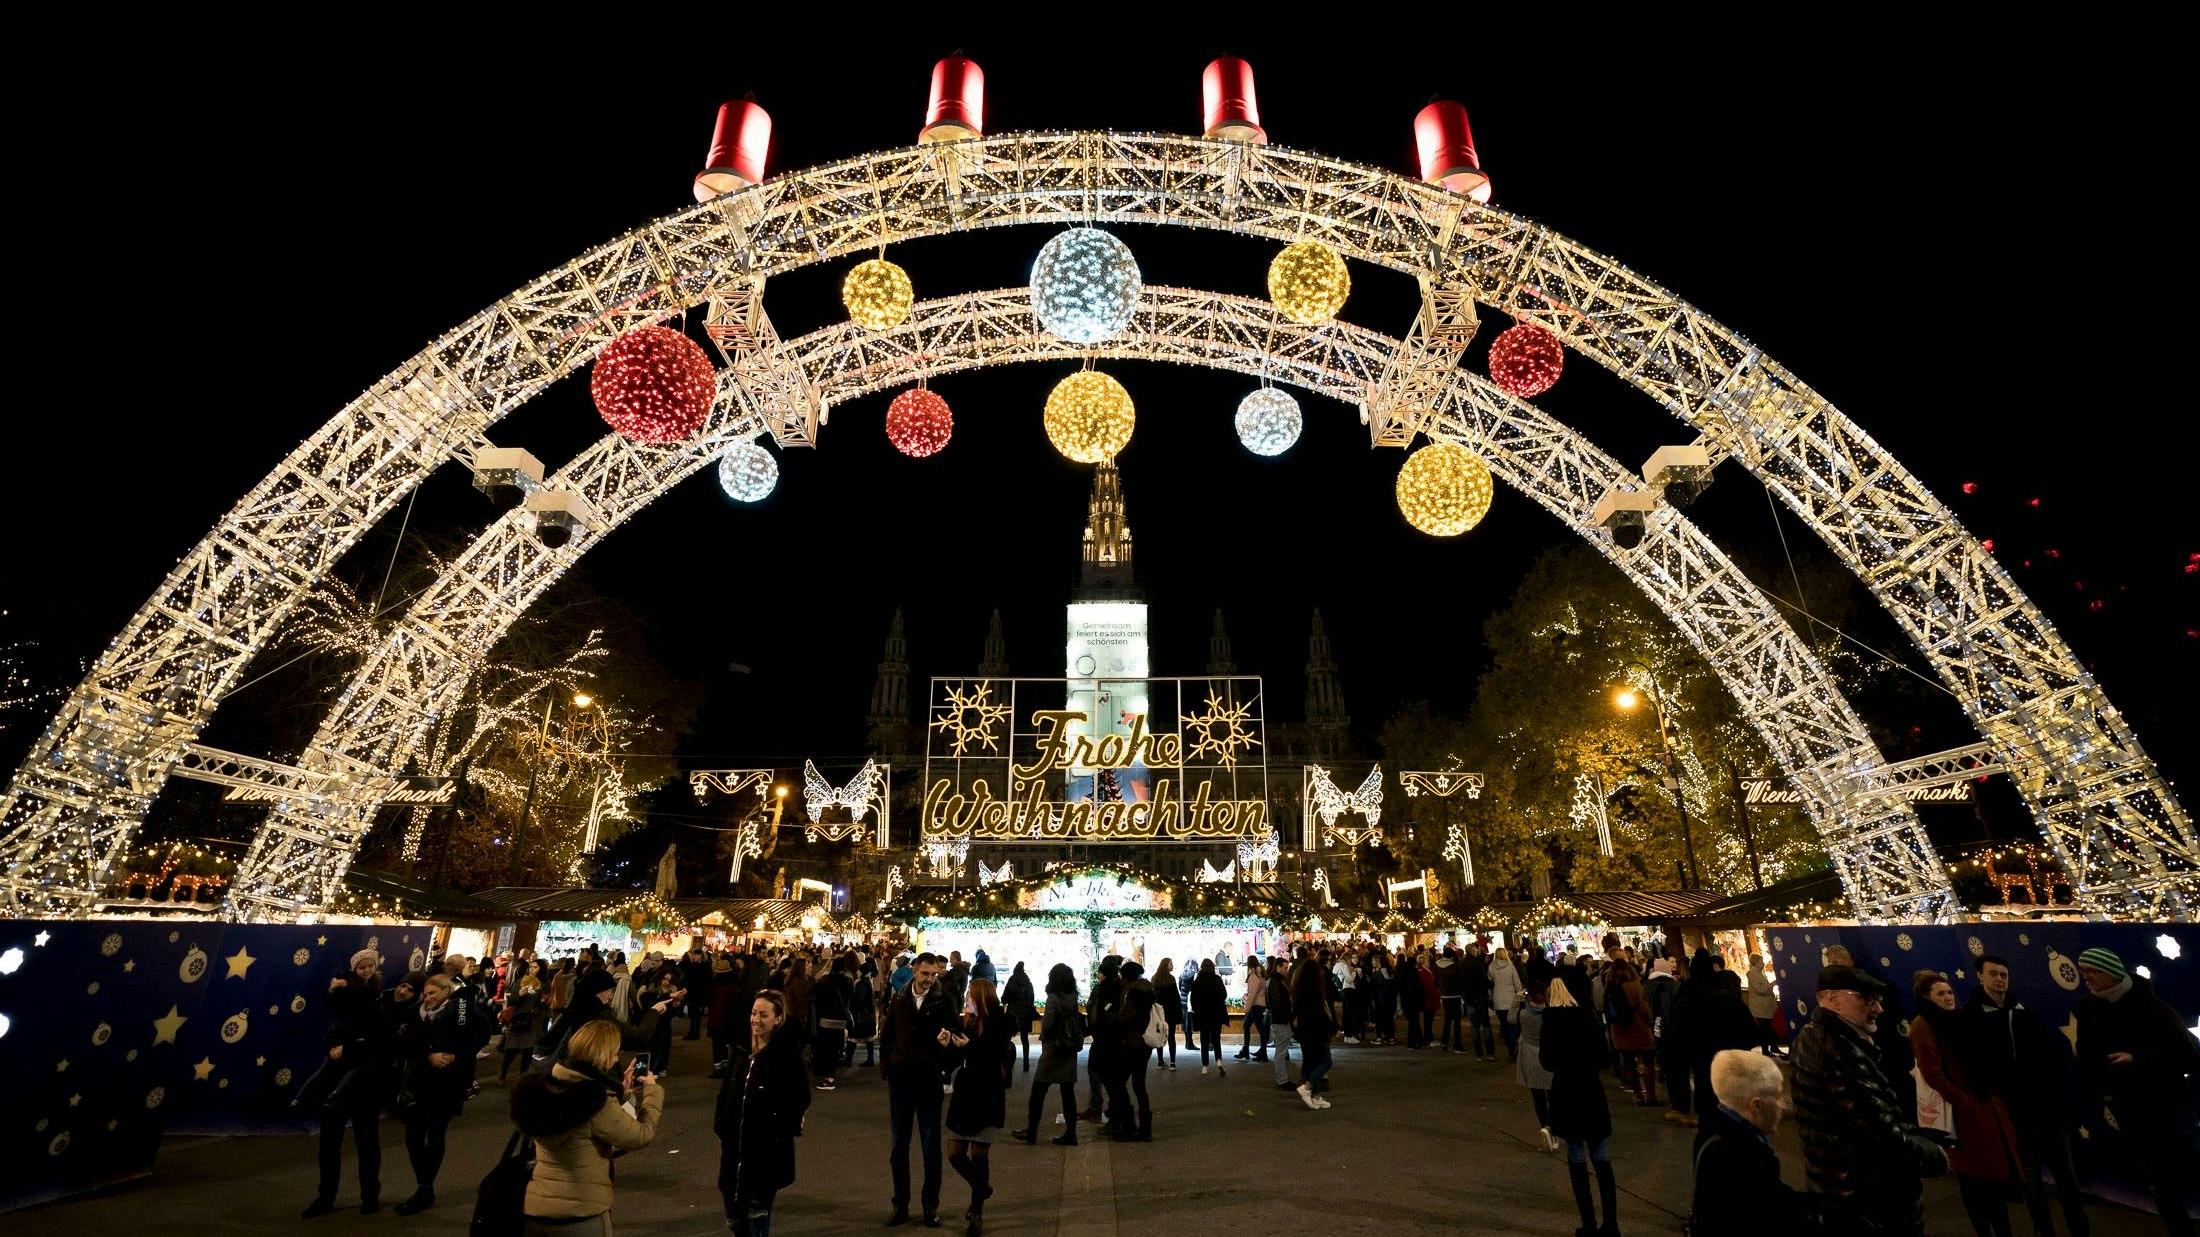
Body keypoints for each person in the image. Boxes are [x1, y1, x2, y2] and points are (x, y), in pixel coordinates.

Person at [1791, 964, 1949, 1237]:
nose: (1877, 1009)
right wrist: (1934, 1156)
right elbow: (1876, 1132)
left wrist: (1919, 1133)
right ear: (1832, 999)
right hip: (1868, 1201)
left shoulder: (1819, 1037)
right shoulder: (1838, 1049)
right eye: (1867, 1000)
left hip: (1846, 1193)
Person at [2074, 946, 2200, 1235]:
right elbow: (2087, 1053)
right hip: (2131, 1110)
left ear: (2111, 973)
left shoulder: (2153, 1008)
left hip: (2170, 1106)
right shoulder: (2088, 1007)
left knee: (2193, 1166)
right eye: (2084, 973)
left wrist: (2138, 1059)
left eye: (2093, 972)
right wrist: (2102, 1090)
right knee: (2157, 1182)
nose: (2087, 978)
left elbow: (2188, 1057)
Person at [1964, 953, 2091, 1237]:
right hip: (2012, 1111)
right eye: (1994, 974)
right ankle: (2043, 1230)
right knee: (2030, 1178)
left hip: (2045, 1106)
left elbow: (2050, 1049)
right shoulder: (1971, 1016)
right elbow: (1972, 1063)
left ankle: (2080, 1229)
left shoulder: (2023, 1011)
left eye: (2003, 974)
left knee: (2066, 1177)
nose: (2000, 979)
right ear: (1980, 976)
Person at [510, 1018, 665, 1236]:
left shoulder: (546, 1086)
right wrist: (652, 1093)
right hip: (582, 1211)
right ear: (603, 1055)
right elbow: (640, 1136)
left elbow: (581, 1125)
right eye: (614, 1052)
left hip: (537, 1208)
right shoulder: (595, 1101)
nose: (616, 1058)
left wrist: (621, 1089)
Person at [1911, 970, 2025, 1237]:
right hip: (1965, 1114)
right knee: (1975, 1180)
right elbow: (1932, 1073)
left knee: (1994, 1178)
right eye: (1940, 994)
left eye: (1949, 992)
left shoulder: (1958, 1019)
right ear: (1926, 998)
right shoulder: (1924, 1025)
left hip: (1985, 1105)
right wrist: (1964, 1102)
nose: (1948, 997)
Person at [1689, 1049, 1820, 1235]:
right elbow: (1771, 1211)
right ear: (1756, 1105)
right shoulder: (1745, 1154)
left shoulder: (1715, 1128)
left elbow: (1771, 1195)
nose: (1783, 1104)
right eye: (1777, 1096)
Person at [389, 972, 487, 1215]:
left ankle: (425, 1187)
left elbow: (483, 1034)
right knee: (413, 1134)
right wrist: (428, 1055)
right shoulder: (415, 1013)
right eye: (425, 994)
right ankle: (424, 1179)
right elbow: (404, 1043)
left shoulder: (463, 1011)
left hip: (448, 1082)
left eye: (433, 993)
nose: (428, 998)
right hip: (421, 1080)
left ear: (446, 992)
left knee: (435, 1132)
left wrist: (458, 1055)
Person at [301, 950, 390, 1218]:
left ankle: (370, 1196)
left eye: (369, 966)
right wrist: (333, 990)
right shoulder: (344, 992)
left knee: (367, 1142)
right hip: (338, 1079)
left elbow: (377, 1038)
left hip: (366, 1080)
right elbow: (333, 1019)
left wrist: (348, 1047)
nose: (366, 970)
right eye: (361, 967)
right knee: (329, 1144)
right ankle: (325, 1196)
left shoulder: (377, 996)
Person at [715, 989, 809, 1237]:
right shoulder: (741, 1051)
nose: (756, 1019)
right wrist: (722, 1124)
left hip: (765, 1157)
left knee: (756, 1225)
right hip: (733, 1153)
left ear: (778, 1019)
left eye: (763, 1015)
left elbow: (800, 1099)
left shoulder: (786, 1057)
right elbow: (726, 1092)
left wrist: (776, 1130)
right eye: (754, 1013)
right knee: (734, 1221)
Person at [879, 951, 957, 1227]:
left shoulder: (944, 999)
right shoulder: (900, 998)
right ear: (914, 970)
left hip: (927, 1077)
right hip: (901, 1078)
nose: (929, 978)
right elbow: (887, 1034)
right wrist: (887, 1066)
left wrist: (945, 1051)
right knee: (899, 1145)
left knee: (929, 1144)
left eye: (934, 974)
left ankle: (929, 1206)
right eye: (925, 973)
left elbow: (956, 1034)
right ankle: (900, 1205)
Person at [1542, 977, 1619, 1237]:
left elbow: (1547, 1062)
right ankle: (1611, 1224)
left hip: (1566, 1092)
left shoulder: (1550, 1022)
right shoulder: (1589, 1019)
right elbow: (1604, 1059)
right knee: (1600, 1154)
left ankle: (1588, 1223)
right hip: (1591, 1090)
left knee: (1576, 1153)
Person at [944, 978, 1013, 1235]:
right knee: (954, 1154)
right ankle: (981, 1187)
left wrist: (970, 1047)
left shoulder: (1000, 1023)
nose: (966, 1000)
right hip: (965, 1094)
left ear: (981, 998)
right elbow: (957, 1057)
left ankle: (977, 1213)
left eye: (969, 996)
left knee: (979, 1155)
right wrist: (947, 1045)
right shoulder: (967, 1022)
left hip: (986, 1094)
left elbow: (993, 1057)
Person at [1014, 964, 1085, 1147]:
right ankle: (1071, 1133)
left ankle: (1032, 1131)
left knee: (1038, 1092)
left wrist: (1044, 1037)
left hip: (1054, 1050)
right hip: (1069, 1050)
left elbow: (1048, 1025)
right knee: (1068, 1093)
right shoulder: (1073, 997)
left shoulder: (1053, 998)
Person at [1106, 960, 1158, 1140]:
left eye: (1121, 976)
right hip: (1145, 1043)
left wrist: (1111, 1015)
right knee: (1139, 1086)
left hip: (1132, 1043)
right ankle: (1145, 1131)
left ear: (1126, 976)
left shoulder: (1131, 992)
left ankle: (1129, 1125)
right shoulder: (1148, 989)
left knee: (1117, 1082)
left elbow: (1126, 1018)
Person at [1516, 964, 1559, 1151]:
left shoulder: (1523, 1015)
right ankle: (1552, 1128)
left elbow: (1510, 1018)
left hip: (1530, 1059)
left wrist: (1516, 999)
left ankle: (1545, 1127)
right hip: (1549, 1058)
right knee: (1554, 1095)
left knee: (1538, 1097)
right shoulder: (1550, 1016)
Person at [1605, 959, 1657, 1107]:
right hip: (1638, 1029)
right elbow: (1644, 1009)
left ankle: (1638, 1095)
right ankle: (1651, 1096)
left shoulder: (1609, 987)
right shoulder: (1635, 986)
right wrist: (1649, 1023)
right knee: (1648, 1063)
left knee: (1630, 1065)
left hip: (1620, 1031)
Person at [1290, 945, 1334, 1109]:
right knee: (1326, 1061)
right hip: (1316, 1030)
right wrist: (1332, 1027)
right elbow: (1321, 1012)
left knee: (1314, 1061)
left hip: (1305, 1030)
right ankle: (1307, 1087)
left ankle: (1316, 1095)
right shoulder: (1315, 990)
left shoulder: (1300, 989)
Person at [1081, 956, 1123, 1126]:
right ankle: (1110, 1109)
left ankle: (1102, 1108)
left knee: (1097, 1070)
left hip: (1103, 1037)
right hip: (1112, 1036)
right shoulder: (1120, 986)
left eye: (1099, 971)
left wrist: (1104, 1012)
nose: (1097, 974)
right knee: (1111, 1075)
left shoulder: (1104, 989)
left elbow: (1105, 1006)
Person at [812, 952, 856, 1091]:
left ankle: (828, 1078)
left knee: (826, 1048)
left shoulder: (826, 981)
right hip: (840, 1020)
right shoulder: (847, 982)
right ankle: (831, 1075)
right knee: (835, 1048)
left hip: (826, 1019)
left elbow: (817, 996)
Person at [499, 961, 544, 1082]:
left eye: (535, 967)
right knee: (512, 1049)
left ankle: (523, 1077)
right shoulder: (521, 981)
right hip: (520, 1018)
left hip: (534, 1021)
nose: (532, 969)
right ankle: (503, 1072)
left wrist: (541, 1004)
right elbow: (511, 998)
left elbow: (545, 1001)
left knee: (528, 1051)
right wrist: (519, 993)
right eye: (531, 967)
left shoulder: (543, 984)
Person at [1191, 958, 1229, 1075]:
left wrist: (1197, 1009)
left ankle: (1205, 1066)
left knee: (1204, 1040)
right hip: (1216, 1014)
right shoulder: (1217, 980)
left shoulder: (1197, 981)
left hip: (1203, 1014)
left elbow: (1193, 999)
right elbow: (1224, 995)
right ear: (1213, 967)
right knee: (1216, 1039)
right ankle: (1218, 1060)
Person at [1265, 954, 1297, 1088]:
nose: (1287, 970)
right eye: (1285, 967)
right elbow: (1277, 1002)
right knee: (1281, 1050)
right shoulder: (1275, 982)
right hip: (1280, 1019)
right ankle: (1282, 1079)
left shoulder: (1276, 980)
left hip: (1280, 1018)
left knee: (1281, 1049)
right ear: (1277, 967)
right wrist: (1287, 1016)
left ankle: (1282, 1078)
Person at [1001, 961, 1036, 1072]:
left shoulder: (1011, 982)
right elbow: (1031, 999)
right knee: (1024, 1038)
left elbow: (1004, 999)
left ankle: (1006, 1062)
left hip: (1012, 1015)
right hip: (1025, 1014)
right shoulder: (1028, 983)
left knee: (1007, 1038)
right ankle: (1026, 1062)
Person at [1489, 947, 1523, 1062]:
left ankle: (1510, 1049)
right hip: (1510, 999)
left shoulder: (1491, 967)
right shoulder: (1510, 967)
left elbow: (1490, 983)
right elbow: (1517, 984)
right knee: (1512, 1025)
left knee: (1504, 1023)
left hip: (1498, 998)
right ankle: (1512, 1050)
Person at [1151, 958, 1183, 1070]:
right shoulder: (1171, 979)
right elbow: (1175, 997)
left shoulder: (1154, 979)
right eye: (1171, 964)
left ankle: (1160, 1061)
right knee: (1171, 1037)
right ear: (1165, 965)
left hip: (1159, 1012)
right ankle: (1173, 1063)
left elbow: (1152, 997)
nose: (1172, 966)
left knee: (1160, 1035)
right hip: (1171, 1012)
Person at [1235, 956, 1269, 1062]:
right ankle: (1246, 1050)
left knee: (1260, 1028)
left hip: (1256, 1005)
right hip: (1258, 1004)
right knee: (1247, 1026)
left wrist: (1247, 1007)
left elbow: (1252, 994)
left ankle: (1262, 1052)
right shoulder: (1260, 974)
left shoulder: (1254, 976)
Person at [1744, 954, 1780, 1054]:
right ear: (1755, 962)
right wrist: (1771, 985)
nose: (1763, 963)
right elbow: (1760, 990)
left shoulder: (1759, 973)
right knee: (1765, 1029)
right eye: (1761, 961)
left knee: (1770, 1028)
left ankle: (1773, 1047)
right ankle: (1765, 1050)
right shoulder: (1752, 974)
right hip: (1761, 1007)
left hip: (1766, 1007)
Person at [1178, 959, 1198, 1052]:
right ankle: (1190, 1043)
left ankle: (1188, 1042)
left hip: (1183, 1001)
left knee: (1186, 1023)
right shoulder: (1193, 975)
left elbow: (1180, 987)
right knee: (1189, 1023)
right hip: (1190, 1002)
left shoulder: (1182, 974)